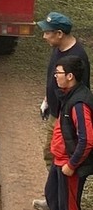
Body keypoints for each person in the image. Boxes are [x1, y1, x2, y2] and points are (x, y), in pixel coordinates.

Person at [34, 12, 90, 210]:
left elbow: (78, 95)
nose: (44, 36)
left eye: (47, 33)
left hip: (65, 119)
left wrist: (66, 123)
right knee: (51, 153)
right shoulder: (58, 48)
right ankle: (54, 198)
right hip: (56, 111)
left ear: (59, 33)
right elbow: (54, 77)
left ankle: (61, 198)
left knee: (61, 159)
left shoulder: (76, 58)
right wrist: (47, 99)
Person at [41, 55, 93, 210]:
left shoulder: (79, 104)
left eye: (58, 73)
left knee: (68, 205)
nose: (55, 77)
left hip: (69, 164)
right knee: (52, 197)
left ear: (70, 76)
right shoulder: (68, 95)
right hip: (59, 160)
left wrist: (71, 165)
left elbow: (87, 139)